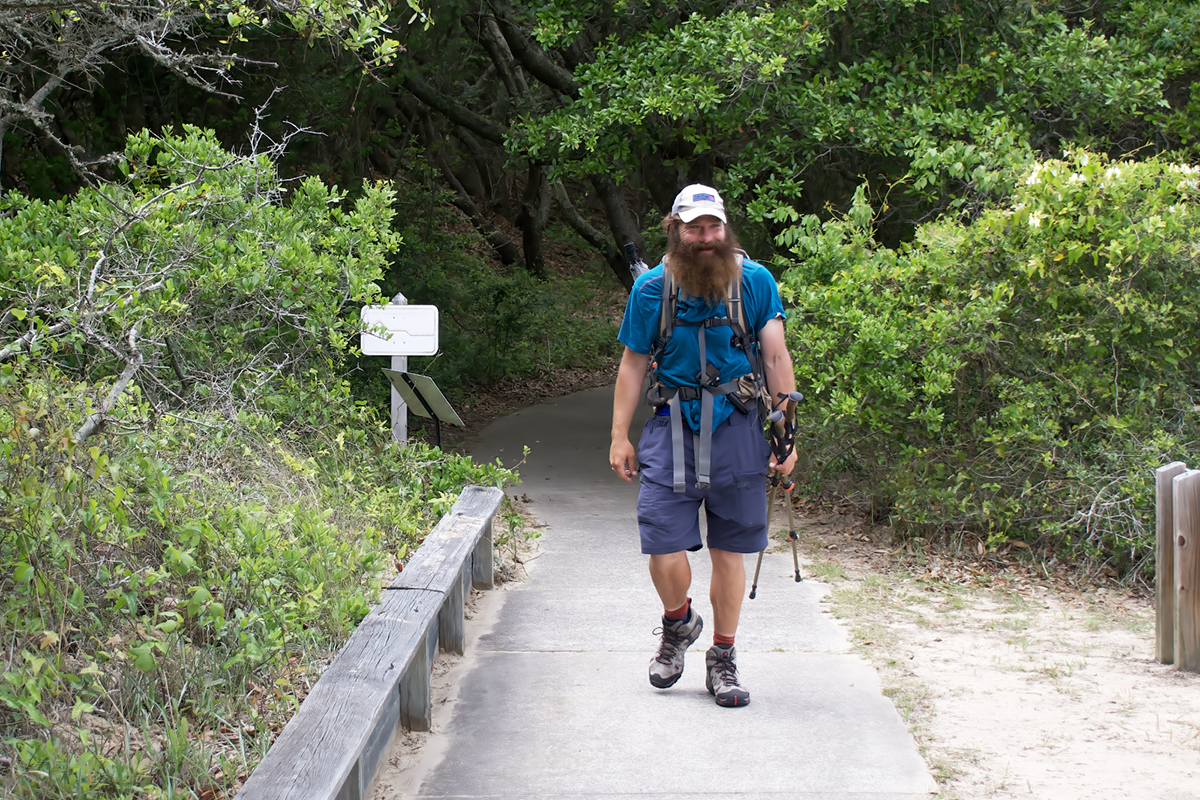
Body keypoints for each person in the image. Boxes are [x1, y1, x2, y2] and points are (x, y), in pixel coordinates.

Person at [609, 184, 798, 707]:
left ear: (725, 227)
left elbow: (777, 358)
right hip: (671, 425)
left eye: (713, 226)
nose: (705, 237)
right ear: (675, 228)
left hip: (738, 427)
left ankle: (723, 658)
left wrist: (785, 437)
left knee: (731, 551)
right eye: (694, 227)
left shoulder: (755, 281)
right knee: (661, 540)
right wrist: (619, 435)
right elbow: (633, 362)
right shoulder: (651, 289)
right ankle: (678, 623)